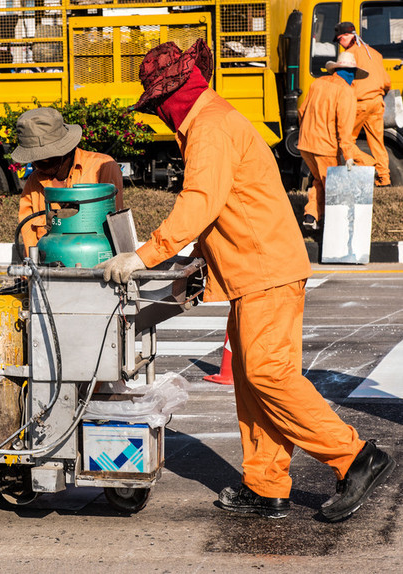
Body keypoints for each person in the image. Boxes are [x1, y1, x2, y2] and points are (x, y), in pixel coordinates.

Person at [96, 39, 395, 521]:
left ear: (173, 98)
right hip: (252, 269)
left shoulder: (209, 128)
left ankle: (356, 457)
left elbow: (199, 202)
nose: (159, 117)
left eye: (158, 106)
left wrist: (145, 255)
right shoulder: (210, 119)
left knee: (268, 376)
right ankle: (266, 484)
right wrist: (198, 268)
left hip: (264, 270)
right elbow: (225, 207)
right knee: (254, 384)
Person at [12, 107, 124, 255]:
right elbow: (29, 236)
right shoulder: (34, 182)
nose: (36, 165)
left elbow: (115, 228)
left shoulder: (102, 167)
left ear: (64, 151)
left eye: (43, 160)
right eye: (33, 160)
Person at [297, 51, 365, 230]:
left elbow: (301, 111)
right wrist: (348, 155)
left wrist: (306, 131)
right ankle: (336, 228)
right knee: (334, 189)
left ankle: (311, 216)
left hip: (305, 144)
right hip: (325, 147)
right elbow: (345, 127)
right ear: (352, 73)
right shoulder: (346, 91)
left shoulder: (317, 83)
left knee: (319, 180)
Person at [335, 21, 393, 187]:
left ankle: (367, 167)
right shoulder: (374, 53)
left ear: (347, 36)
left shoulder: (350, 55)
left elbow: (343, 83)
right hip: (377, 103)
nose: (340, 44)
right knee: (377, 143)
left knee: (345, 141)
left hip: (359, 104)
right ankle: (384, 179)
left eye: (339, 39)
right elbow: (387, 82)